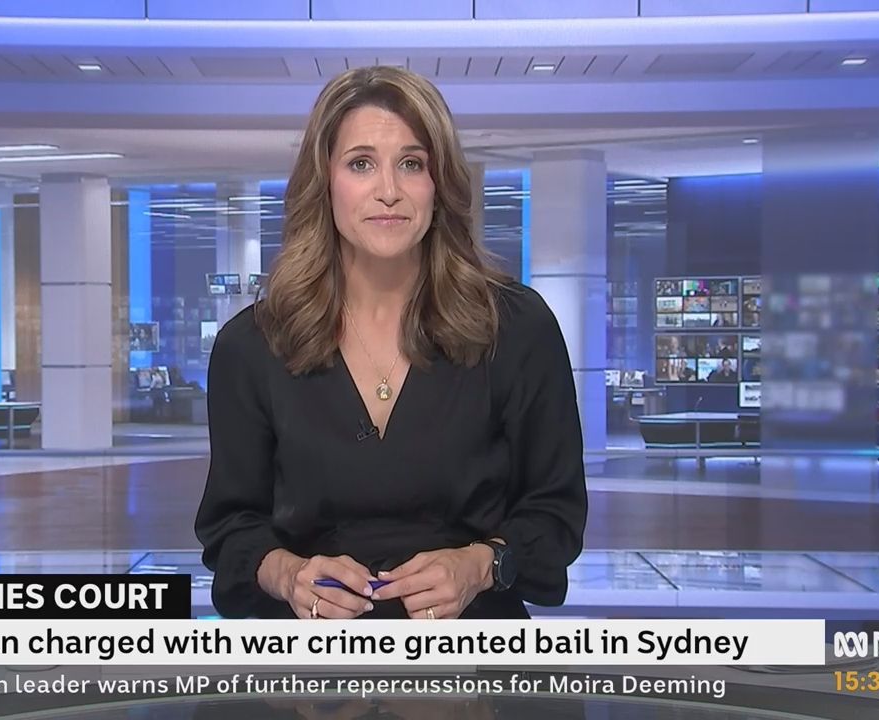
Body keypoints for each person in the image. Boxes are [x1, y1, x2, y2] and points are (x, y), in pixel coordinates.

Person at [194, 66, 587, 621]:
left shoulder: (517, 328)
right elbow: (232, 527)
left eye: (412, 163)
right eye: (361, 163)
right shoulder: (252, 345)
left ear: (439, 184)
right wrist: (289, 575)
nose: (388, 191)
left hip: (475, 652)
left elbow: (555, 514)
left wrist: (479, 566)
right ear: (324, 181)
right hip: (308, 657)